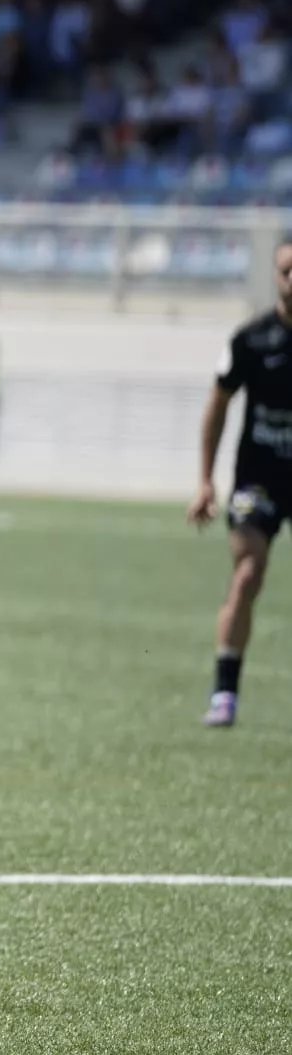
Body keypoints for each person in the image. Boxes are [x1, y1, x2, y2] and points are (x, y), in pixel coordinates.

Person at [186, 241, 292, 728]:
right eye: (288, 270)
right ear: (275, 275)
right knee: (248, 573)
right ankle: (224, 693)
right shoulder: (252, 340)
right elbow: (218, 405)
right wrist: (205, 481)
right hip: (259, 478)